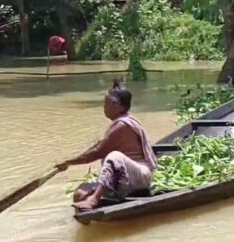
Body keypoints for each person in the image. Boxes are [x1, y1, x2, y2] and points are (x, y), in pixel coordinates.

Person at [55, 80, 158, 210]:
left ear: (118, 105)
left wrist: (69, 162)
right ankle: (88, 211)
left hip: (139, 177)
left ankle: (93, 200)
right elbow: (98, 146)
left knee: (114, 156)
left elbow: (98, 152)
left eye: (106, 103)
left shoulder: (122, 125)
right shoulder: (118, 123)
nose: (104, 107)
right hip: (124, 176)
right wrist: (68, 160)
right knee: (79, 194)